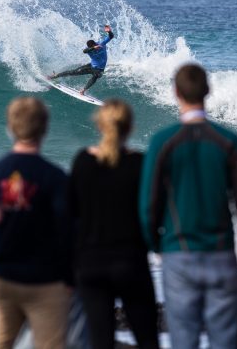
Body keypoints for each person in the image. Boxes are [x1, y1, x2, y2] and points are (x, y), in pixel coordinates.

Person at [139, 63, 237, 349]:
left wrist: (155, 244)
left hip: (178, 254)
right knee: (225, 339)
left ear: (176, 92)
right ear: (208, 91)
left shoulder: (163, 141)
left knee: (184, 339)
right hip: (221, 252)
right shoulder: (229, 141)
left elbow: (149, 203)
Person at [69, 99, 159, 349]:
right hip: (130, 263)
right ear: (130, 127)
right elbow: (152, 213)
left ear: (99, 125)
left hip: (90, 266)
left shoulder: (82, 162)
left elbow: (70, 215)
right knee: (148, 340)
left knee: (101, 343)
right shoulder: (140, 163)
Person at [0, 97, 73, 349]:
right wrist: (70, 280)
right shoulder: (55, 177)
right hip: (46, 281)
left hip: (2, 280)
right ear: (45, 129)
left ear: (10, 127)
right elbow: (69, 233)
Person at [49, 25, 114, 94]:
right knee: (74, 72)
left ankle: (83, 90)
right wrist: (93, 48)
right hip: (91, 66)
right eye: (91, 47)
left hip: (100, 69)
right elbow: (84, 51)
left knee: (95, 76)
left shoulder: (102, 44)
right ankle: (55, 76)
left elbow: (111, 36)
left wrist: (109, 31)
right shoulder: (89, 50)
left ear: (95, 43)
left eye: (93, 46)